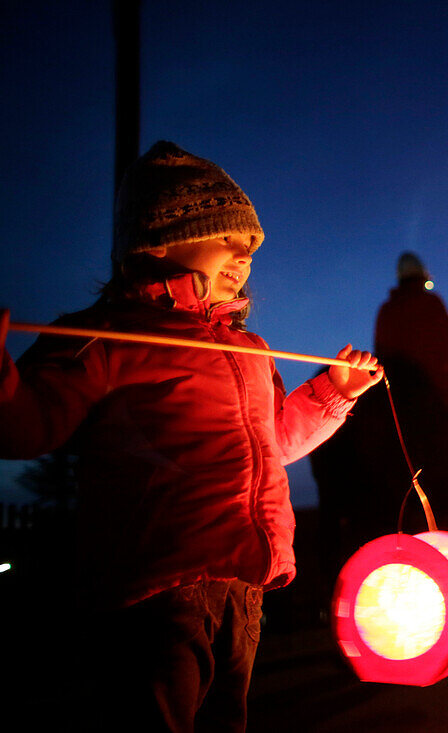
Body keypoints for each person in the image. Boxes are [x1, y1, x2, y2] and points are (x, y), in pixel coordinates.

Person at [0, 141, 382, 731]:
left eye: (250, 246)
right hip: (158, 589)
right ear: (158, 241)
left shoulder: (249, 350)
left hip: (242, 587)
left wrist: (335, 391)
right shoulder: (111, 336)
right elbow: (29, 422)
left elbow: (273, 442)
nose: (243, 256)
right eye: (225, 238)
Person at [373, 251, 448, 447]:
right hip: (440, 400)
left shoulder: (386, 309)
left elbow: (380, 355)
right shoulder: (432, 303)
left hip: (397, 400)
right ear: (423, 276)